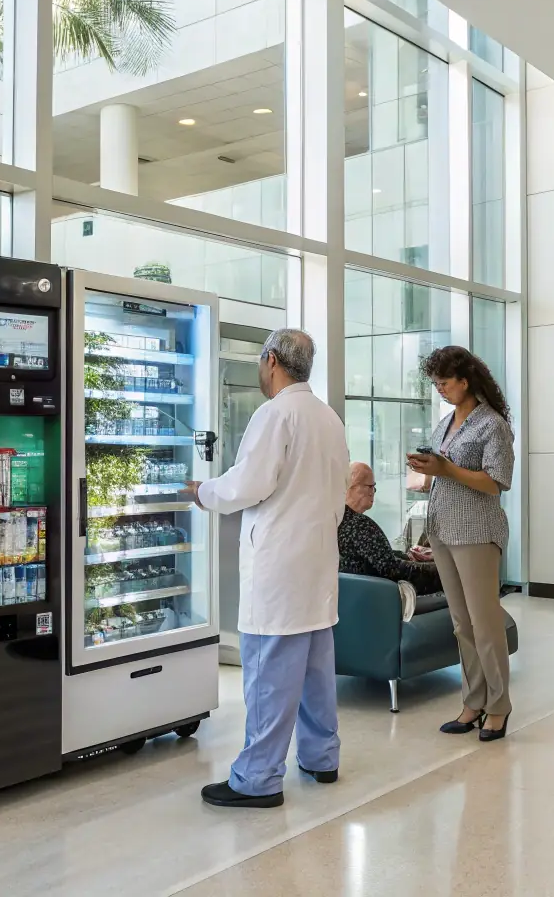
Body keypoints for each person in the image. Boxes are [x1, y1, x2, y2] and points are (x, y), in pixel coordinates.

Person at [184, 328, 350, 809]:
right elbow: (339, 487)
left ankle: (256, 779)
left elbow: (248, 485)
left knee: (268, 675)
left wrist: (203, 492)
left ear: (271, 361)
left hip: (280, 568)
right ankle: (322, 758)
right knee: (317, 671)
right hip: (317, 563)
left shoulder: (275, 414)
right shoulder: (327, 417)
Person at [406, 346, 516, 743]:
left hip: (477, 531)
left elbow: (496, 481)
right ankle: (473, 702)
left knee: (485, 624)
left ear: (465, 381)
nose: (439, 389)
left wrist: (446, 468)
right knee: (462, 623)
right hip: (442, 527)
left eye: (444, 382)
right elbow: (443, 472)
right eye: (435, 383)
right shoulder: (446, 423)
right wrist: (426, 470)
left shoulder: (493, 425)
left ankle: (499, 707)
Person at [339, 462, 442, 595]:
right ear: (351, 486)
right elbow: (393, 570)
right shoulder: (359, 526)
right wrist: (442, 571)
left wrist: (406, 556)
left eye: (373, 487)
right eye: (369, 486)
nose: (372, 492)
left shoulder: (340, 521)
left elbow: (377, 557)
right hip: (379, 599)